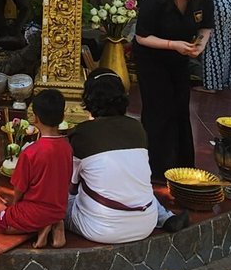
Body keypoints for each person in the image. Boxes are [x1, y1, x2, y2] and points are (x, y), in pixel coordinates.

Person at [66, 74, 189, 245]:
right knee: (133, 186)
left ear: (88, 101)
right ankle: (166, 218)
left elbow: (72, 187)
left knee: (59, 197)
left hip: (100, 229)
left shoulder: (82, 134)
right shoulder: (137, 127)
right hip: (147, 223)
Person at [132, 0, 213, 180]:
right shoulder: (156, 0)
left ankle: (182, 164)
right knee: (159, 109)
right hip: (152, 59)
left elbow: (206, 27)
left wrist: (200, 45)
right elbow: (141, 37)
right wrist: (172, 44)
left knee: (180, 107)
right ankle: (156, 167)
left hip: (180, 58)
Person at [0, 89, 74, 248]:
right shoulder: (67, 147)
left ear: (35, 119)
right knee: (43, 215)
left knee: (1, 221)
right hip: (59, 210)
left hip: (35, 212)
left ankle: (41, 227)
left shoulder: (31, 152)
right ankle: (54, 225)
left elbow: (19, 188)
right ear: (62, 117)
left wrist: (14, 206)